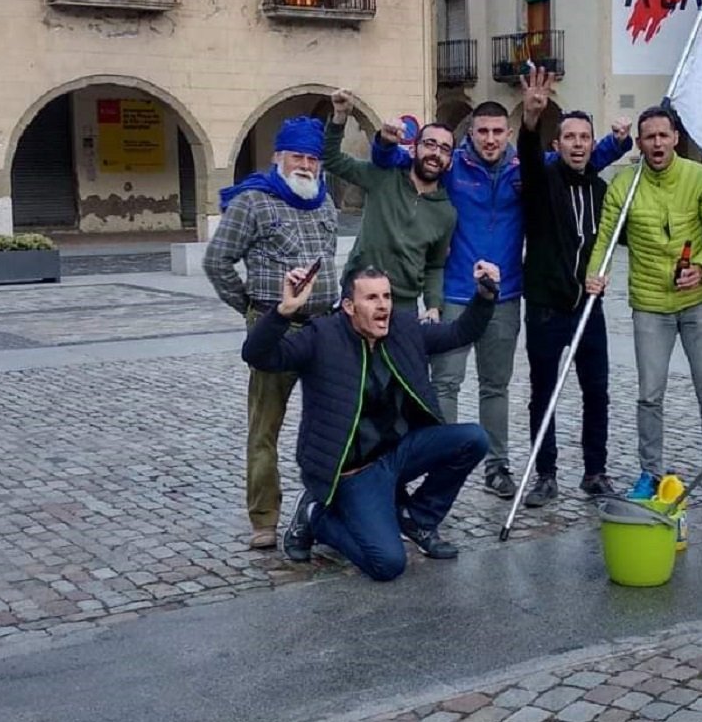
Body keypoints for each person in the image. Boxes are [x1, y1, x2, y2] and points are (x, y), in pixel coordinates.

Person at [372, 99, 629, 501]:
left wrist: (618, 143)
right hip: (457, 292)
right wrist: (382, 143)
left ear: (508, 134)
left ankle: (497, 467)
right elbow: (396, 161)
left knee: (496, 386)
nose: (490, 139)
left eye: (497, 131)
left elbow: (578, 157)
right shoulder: (453, 165)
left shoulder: (524, 168)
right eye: (482, 131)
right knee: (446, 384)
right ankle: (441, 462)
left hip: (506, 295)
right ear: (470, 134)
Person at [243, 260, 499, 579]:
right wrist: (284, 311)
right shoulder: (321, 336)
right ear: (349, 306)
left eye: (387, 297)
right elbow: (257, 355)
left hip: (398, 454)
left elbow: (460, 332)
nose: (383, 306)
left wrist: (485, 296)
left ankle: (416, 518)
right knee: (387, 564)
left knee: (473, 439)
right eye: (372, 298)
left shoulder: (403, 329)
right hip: (353, 472)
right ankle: (314, 516)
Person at [586, 106, 702, 506]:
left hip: (698, 302)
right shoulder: (625, 184)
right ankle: (650, 472)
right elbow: (605, 236)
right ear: (639, 143)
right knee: (649, 394)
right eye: (649, 137)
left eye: (663, 135)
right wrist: (594, 273)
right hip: (651, 304)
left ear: (676, 137)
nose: (657, 143)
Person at [204, 116, 338, 550]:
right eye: (297, 156)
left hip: (322, 327)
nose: (305, 165)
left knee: (331, 423)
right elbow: (218, 260)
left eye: (312, 158)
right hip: (275, 327)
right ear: (278, 157)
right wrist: (248, 306)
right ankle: (264, 518)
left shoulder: (323, 200)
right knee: (265, 429)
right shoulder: (253, 202)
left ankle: (330, 507)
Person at [515, 67, 619, 506]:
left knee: (597, 391)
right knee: (545, 392)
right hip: (545, 308)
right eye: (570, 137)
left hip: (588, 308)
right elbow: (528, 154)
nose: (577, 144)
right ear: (557, 145)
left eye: (584, 137)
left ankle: (595, 471)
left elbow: (614, 237)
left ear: (592, 145)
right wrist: (530, 119)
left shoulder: (601, 189)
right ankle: (546, 473)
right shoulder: (542, 181)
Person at [322, 91, 455, 316]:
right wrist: (340, 116)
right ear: (414, 149)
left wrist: (433, 306)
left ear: (450, 162)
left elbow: (435, 265)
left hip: (403, 306)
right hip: (357, 294)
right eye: (430, 144)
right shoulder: (383, 176)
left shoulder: (446, 213)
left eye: (444, 149)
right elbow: (331, 159)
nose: (435, 153)